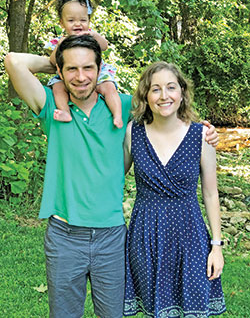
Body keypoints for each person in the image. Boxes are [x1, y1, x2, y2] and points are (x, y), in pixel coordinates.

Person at [5, 36, 219, 318]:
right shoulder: (52, 108)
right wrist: (57, 62)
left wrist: (204, 132)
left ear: (100, 69)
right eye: (72, 69)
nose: (81, 77)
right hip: (64, 237)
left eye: (88, 68)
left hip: (113, 238)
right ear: (60, 71)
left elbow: (166, 107)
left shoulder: (122, 107)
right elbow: (14, 61)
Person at [123, 62, 226, 317]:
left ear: (182, 92)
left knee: (191, 307)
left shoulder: (202, 136)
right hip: (146, 235)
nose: (164, 96)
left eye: (171, 87)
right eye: (155, 89)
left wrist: (216, 246)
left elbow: (211, 194)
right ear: (146, 96)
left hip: (190, 236)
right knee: (153, 309)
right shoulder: (132, 133)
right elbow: (112, 179)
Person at [45, 0, 123, 128]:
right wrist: (59, 45)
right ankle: (65, 111)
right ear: (61, 23)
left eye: (83, 20)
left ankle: (117, 115)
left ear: (88, 21)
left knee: (109, 88)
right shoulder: (60, 41)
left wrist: (94, 35)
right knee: (57, 88)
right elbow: (53, 60)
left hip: (97, 72)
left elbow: (104, 46)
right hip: (67, 75)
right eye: (71, 20)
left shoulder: (91, 35)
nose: (77, 24)